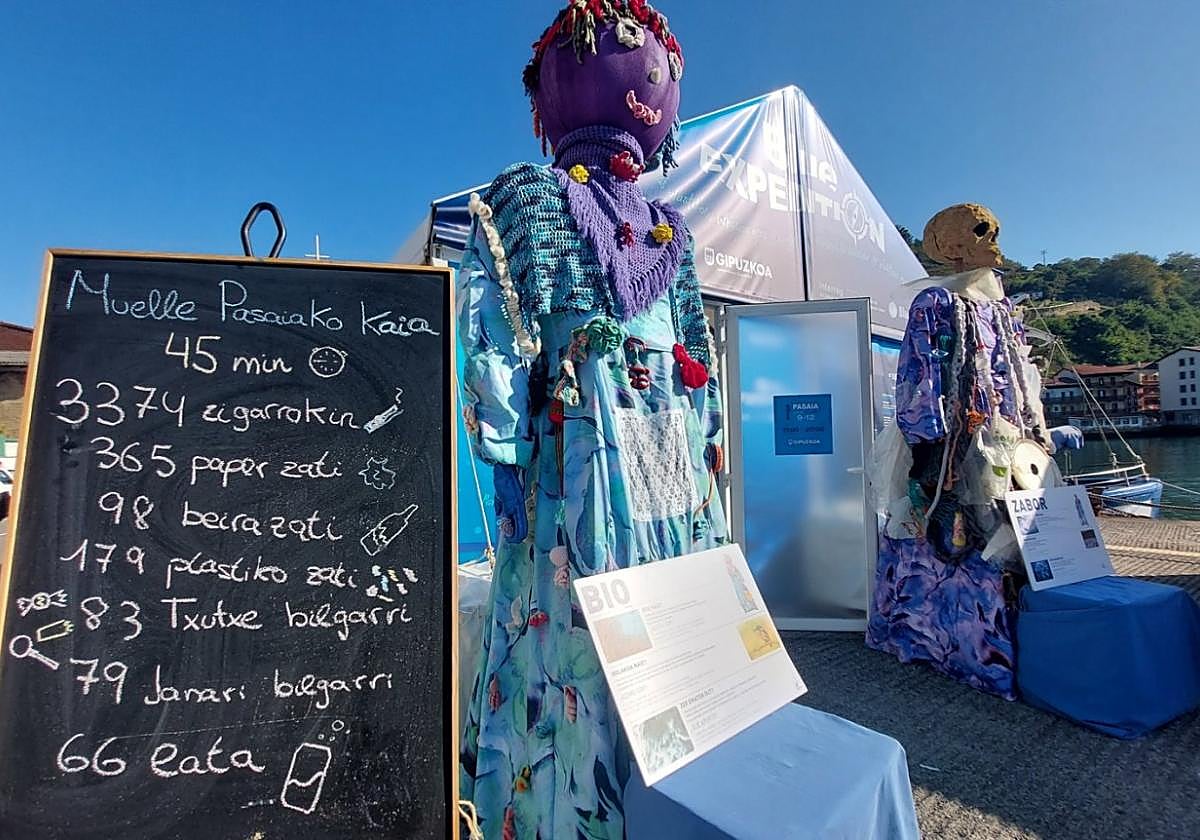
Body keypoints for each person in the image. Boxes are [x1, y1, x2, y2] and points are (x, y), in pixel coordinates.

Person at [457, 3, 725, 838]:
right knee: (601, 638)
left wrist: (506, 467)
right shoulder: (548, 205)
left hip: (622, 479)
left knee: (623, 638)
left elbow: (495, 367)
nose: (649, 85)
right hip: (624, 483)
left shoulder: (658, 227)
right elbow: (697, 378)